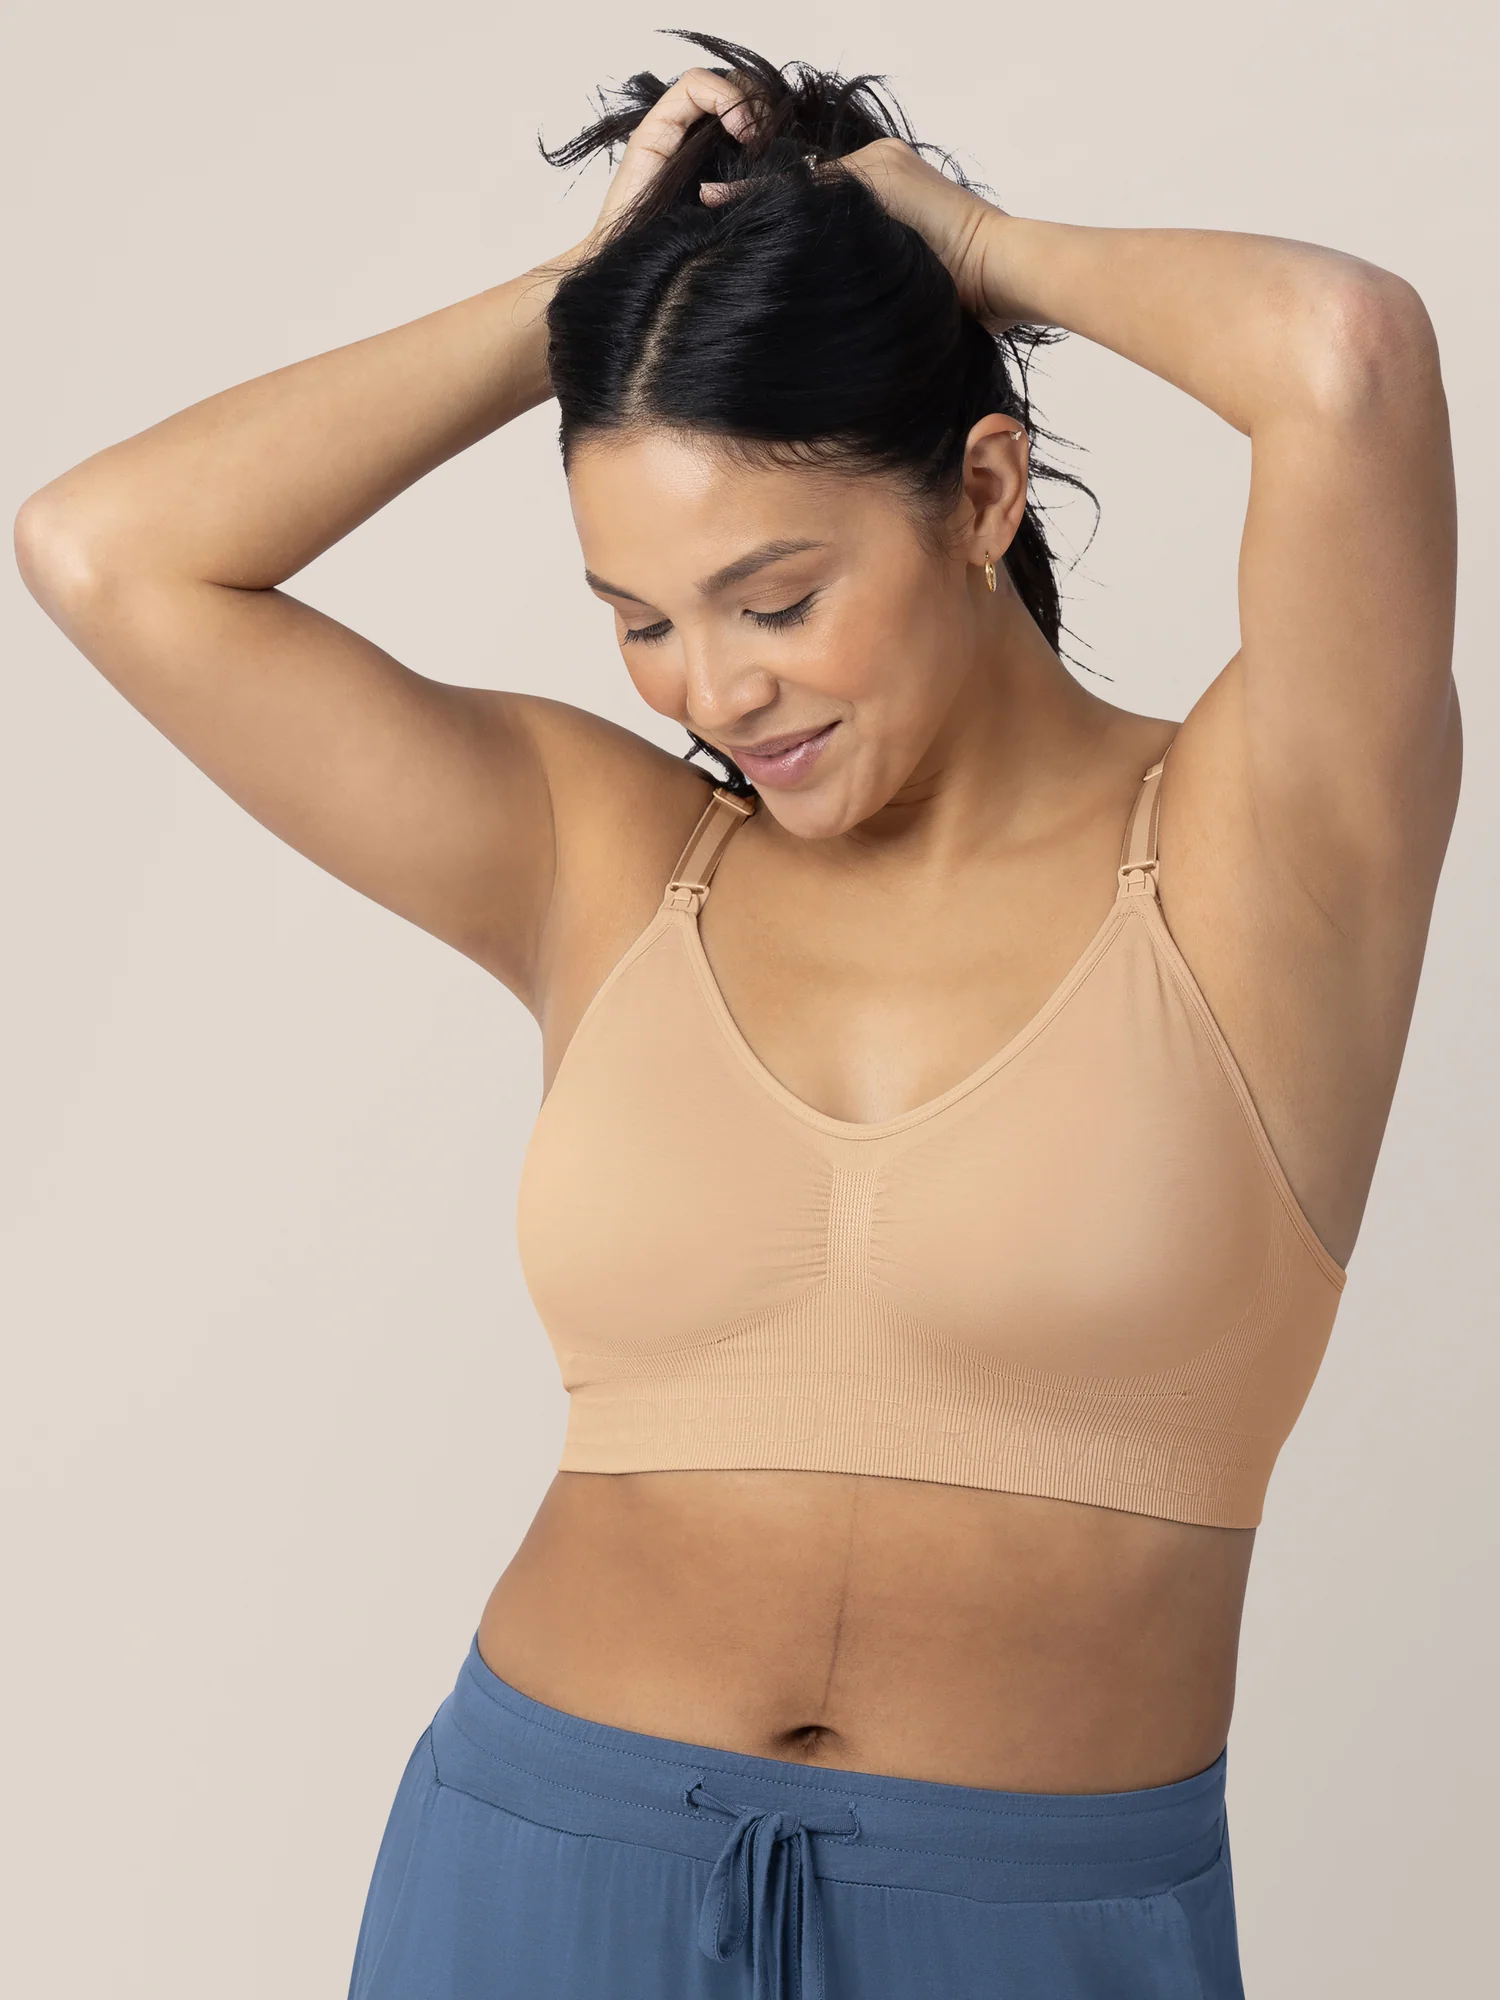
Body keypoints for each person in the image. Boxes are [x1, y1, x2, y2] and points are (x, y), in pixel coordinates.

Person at [14, 29, 1458, 2000]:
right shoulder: (604, 859)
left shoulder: (1264, 844)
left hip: (1021, 1918)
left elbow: (1348, 361)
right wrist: (581, 303)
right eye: (641, 619)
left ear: (981, 490)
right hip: (539, 1861)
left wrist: (975, 244)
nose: (712, 690)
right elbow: (107, 551)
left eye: (775, 600)